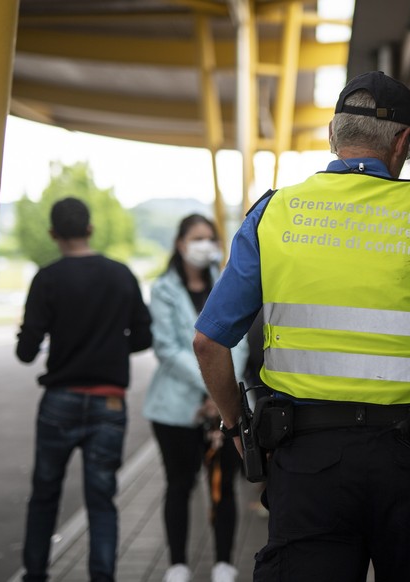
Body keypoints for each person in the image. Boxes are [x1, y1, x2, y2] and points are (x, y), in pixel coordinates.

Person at [192, 71, 410, 581]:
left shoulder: (275, 213)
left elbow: (209, 341)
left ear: (332, 135)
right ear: (402, 143)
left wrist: (235, 424)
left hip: (307, 464)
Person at [16, 197, 152, 582]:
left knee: (44, 496)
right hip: (109, 401)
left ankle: (36, 574)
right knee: (101, 501)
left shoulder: (47, 278)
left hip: (59, 401)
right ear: (90, 229)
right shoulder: (121, 275)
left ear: (52, 234)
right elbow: (143, 336)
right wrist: (109, 346)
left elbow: (27, 352)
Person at [143, 214, 248, 582]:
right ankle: (177, 565)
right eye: (198, 238)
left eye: (211, 238)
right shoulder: (163, 289)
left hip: (222, 407)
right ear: (181, 244)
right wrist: (214, 389)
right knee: (179, 484)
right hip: (176, 410)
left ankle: (223, 563)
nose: (206, 245)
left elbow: (242, 342)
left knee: (223, 486)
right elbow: (168, 350)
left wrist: (221, 394)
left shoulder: (228, 282)